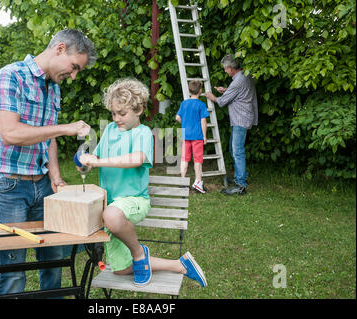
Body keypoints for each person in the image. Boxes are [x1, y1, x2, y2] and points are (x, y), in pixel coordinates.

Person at [0, 29, 97, 295]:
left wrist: (55, 177)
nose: (74, 75)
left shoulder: (53, 88)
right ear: (59, 49)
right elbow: (10, 133)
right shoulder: (10, 76)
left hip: (42, 184)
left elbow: (49, 139)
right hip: (6, 185)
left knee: (53, 260)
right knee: (12, 268)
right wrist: (63, 128)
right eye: (74, 66)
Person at [78, 78, 207, 288]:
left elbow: (136, 159)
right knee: (120, 269)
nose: (116, 118)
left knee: (111, 215)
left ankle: (138, 253)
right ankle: (180, 265)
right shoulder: (110, 130)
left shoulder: (143, 133)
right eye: (113, 113)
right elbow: (95, 158)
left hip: (134, 201)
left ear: (138, 110)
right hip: (111, 208)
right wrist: (85, 163)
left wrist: (99, 161)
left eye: (122, 114)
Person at [203, 54, 258, 195]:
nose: (225, 71)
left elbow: (221, 102)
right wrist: (227, 91)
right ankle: (239, 178)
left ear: (230, 68)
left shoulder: (238, 81)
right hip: (242, 118)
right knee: (235, 150)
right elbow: (241, 93)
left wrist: (212, 97)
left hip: (240, 119)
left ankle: (240, 185)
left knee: (237, 151)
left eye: (225, 69)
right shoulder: (245, 75)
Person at [175, 80, 210, 193]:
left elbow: (177, 118)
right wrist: (204, 136)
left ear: (190, 90)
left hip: (185, 136)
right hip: (197, 136)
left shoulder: (184, 103)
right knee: (197, 160)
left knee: (184, 159)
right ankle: (198, 183)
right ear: (200, 91)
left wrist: (185, 123)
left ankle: (182, 182)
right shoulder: (201, 105)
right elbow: (203, 121)